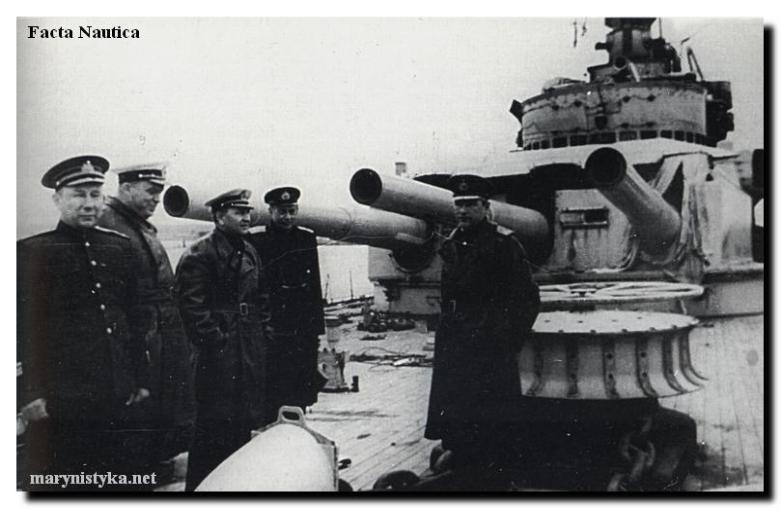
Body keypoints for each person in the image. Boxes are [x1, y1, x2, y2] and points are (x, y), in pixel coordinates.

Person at [17, 156, 150, 490]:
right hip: (62, 398)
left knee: (118, 478)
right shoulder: (32, 252)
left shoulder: (119, 247)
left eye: (95, 194)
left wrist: (141, 379)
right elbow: (20, 331)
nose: (89, 203)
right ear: (57, 199)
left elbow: (135, 319)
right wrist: (29, 394)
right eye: (78, 195)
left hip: (117, 391)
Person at [423, 174, 540, 490]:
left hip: (490, 348)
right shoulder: (451, 244)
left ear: (486, 207)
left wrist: (506, 341)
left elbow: (528, 299)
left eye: (470, 204)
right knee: (459, 421)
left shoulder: (504, 244)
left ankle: (496, 482)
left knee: (493, 423)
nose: (462, 210)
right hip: (456, 346)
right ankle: (465, 476)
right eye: (458, 204)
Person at [98, 162, 196, 476]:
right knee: (137, 413)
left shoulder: (137, 225)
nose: (156, 199)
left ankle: (155, 463)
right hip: (138, 336)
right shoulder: (108, 223)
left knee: (160, 406)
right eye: (150, 191)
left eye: (159, 192)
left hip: (159, 332)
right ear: (126, 188)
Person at [173, 189, 271, 491]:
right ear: (218, 217)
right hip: (217, 359)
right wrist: (217, 341)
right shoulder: (200, 254)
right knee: (212, 432)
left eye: (247, 212)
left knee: (245, 427)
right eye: (238, 212)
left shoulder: (249, 250)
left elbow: (262, 297)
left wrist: (263, 334)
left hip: (248, 350)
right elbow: (192, 308)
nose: (246, 217)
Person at [250, 187, 326, 424]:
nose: (287, 217)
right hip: (273, 325)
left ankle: (296, 426)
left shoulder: (306, 238)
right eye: (282, 212)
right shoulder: (258, 240)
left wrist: (317, 330)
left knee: (300, 384)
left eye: (291, 211)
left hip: (301, 327)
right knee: (272, 386)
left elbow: (314, 285)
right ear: (271, 211)